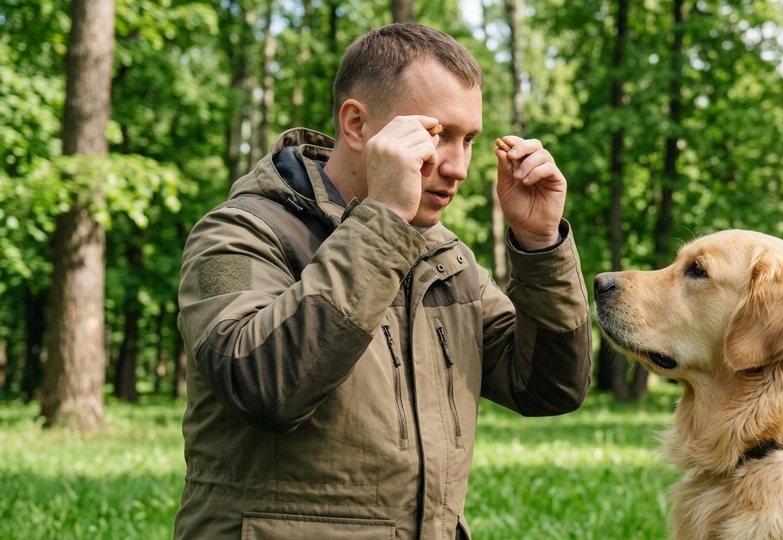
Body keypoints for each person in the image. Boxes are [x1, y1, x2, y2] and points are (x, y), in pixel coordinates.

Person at [172, 23, 593, 539]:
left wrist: (541, 245)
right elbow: (260, 387)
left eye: (469, 140)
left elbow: (550, 388)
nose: (459, 167)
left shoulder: (446, 257)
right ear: (357, 125)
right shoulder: (233, 235)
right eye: (436, 135)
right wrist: (386, 218)